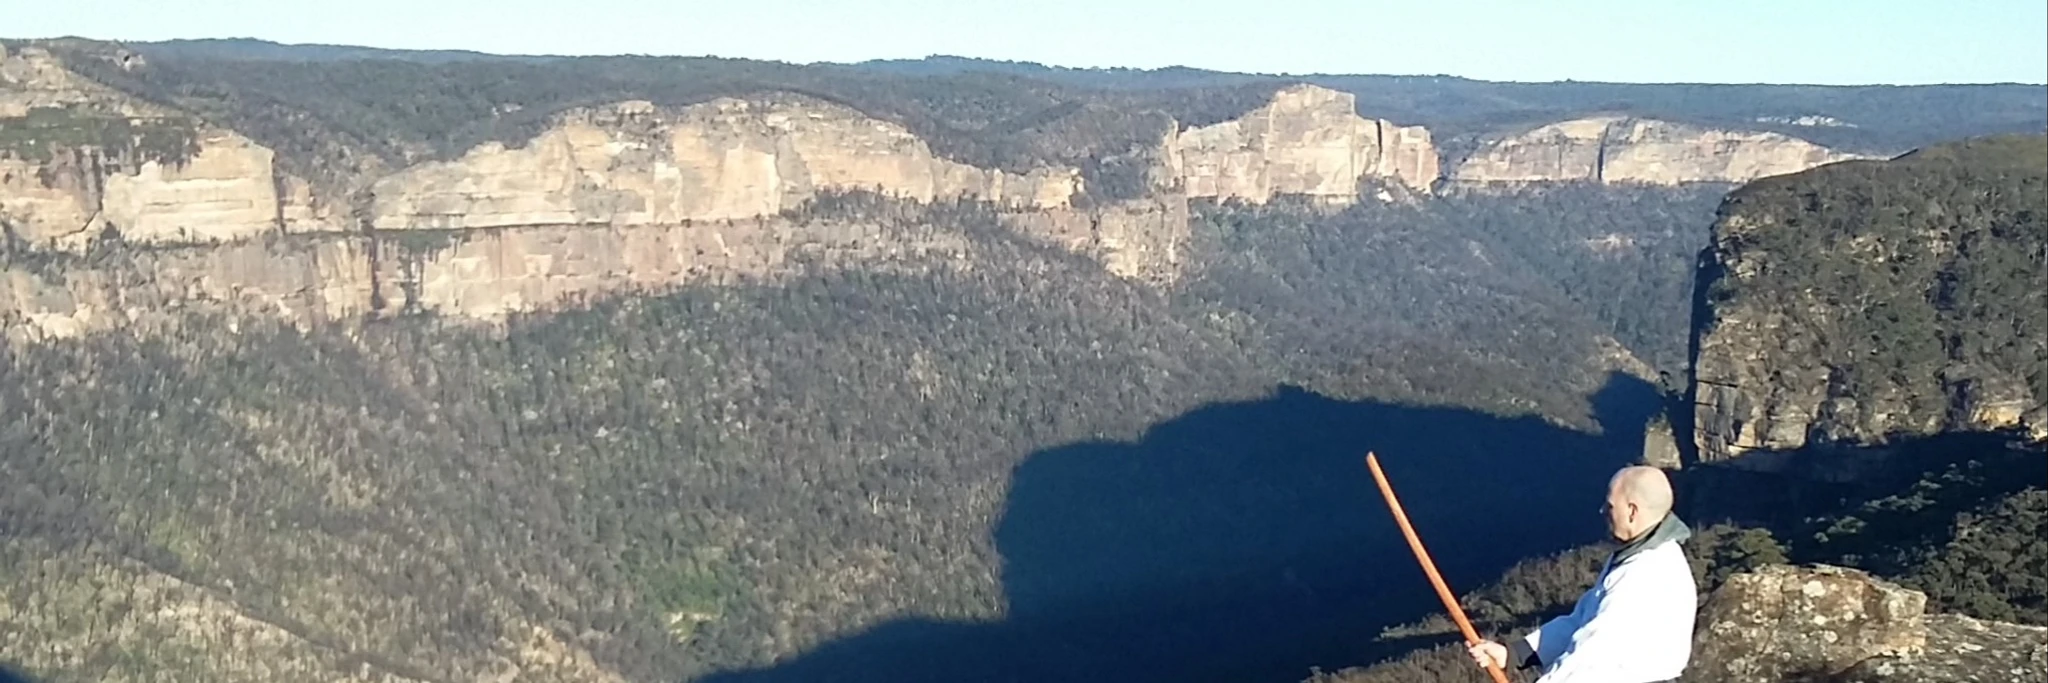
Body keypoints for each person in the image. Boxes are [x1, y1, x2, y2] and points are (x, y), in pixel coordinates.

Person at [1467, 465, 1697, 682]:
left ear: (1632, 511)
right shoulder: (1634, 557)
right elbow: (1580, 622)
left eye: (1610, 506)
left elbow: (1593, 656)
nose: (1603, 511)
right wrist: (1515, 653)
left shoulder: (1644, 574)